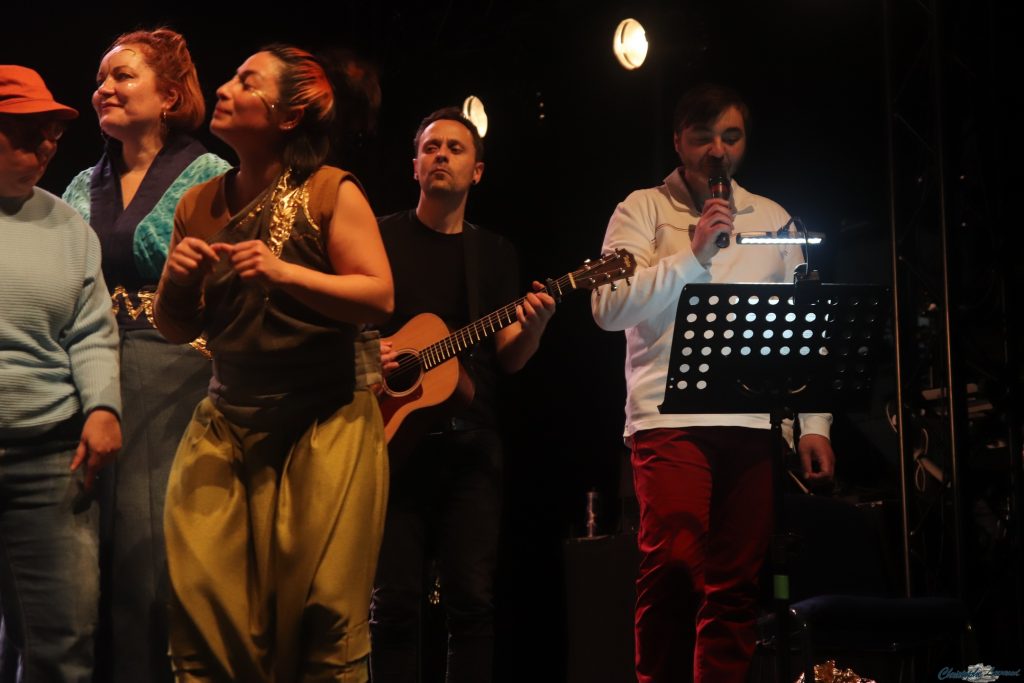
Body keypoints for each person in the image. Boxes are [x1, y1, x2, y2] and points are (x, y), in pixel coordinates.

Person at [153, 44, 393, 682]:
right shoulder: (197, 203)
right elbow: (177, 328)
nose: (225, 88)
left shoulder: (328, 191)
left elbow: (379, 294)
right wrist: (176, 284)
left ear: (288, 117)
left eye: (245, 81)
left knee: (324, 619)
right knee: (204, 615)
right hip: (230, 422)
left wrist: (284, 272)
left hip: (326, 422)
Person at [591, 84, 835, 683]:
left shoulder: (774, 218)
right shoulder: (642, 209)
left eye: (731, 137)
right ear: (679, 142)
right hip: (667, 419)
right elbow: (607, 306)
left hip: (752, 423)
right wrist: (694, 255)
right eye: (703, 137)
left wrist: (814, 423)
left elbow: (802, 332)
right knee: (674, 567)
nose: (717, 151)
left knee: (734, 587)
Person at [60, 28, 229, 683]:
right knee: (79, 562)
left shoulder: (214, 177)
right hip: (87, 374)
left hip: (177, 377)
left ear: (171, 95)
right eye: (101, 77)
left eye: (123, 76)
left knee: (150, 559)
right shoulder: (81, 184)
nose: (103, 88)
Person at [369, 107, 556, 683]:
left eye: (455, 148)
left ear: (477, 171)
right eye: (431, 148)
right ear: (415, 165)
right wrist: (367, 352)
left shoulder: (493, 253)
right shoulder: (378, 237)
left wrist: (537, 325)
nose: (442, 155)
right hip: (391, 436)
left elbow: (509, 357)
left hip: (471, 442)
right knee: (393, 603)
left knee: (471, 602)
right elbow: (346, 320)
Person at [0, 64, 121, 682]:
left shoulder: (67, 226)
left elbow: (93, 329)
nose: (45, 147)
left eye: (49, 134)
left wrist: (102, 405)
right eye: (26, 134)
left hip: (50, 457)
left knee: (64, 641)